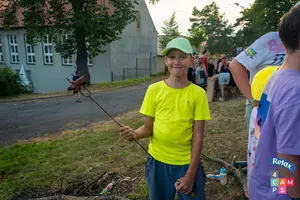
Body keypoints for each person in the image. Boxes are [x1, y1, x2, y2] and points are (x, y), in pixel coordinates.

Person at [120, 37, 211, 200]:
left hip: (186, 164)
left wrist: (190, 174)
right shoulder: (153, 90)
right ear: (166, 60)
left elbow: (198, 137)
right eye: (172, 57)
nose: (177, 61)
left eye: (182, 57)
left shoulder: (199, 94)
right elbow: (148, 128)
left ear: (191, 60)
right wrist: (134, 134)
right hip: (157, 163)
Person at [249, 4, 300, 199]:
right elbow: (288, 157)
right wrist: (296, 195)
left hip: (267, 180)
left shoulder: (278, 74)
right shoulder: (295, 88)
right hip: (281, 192)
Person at [229, 31, 286, 127]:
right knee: (262, 142)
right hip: (263, 106)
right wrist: (252, 100)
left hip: (289, 107)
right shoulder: (272, 38)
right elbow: (236, 65)